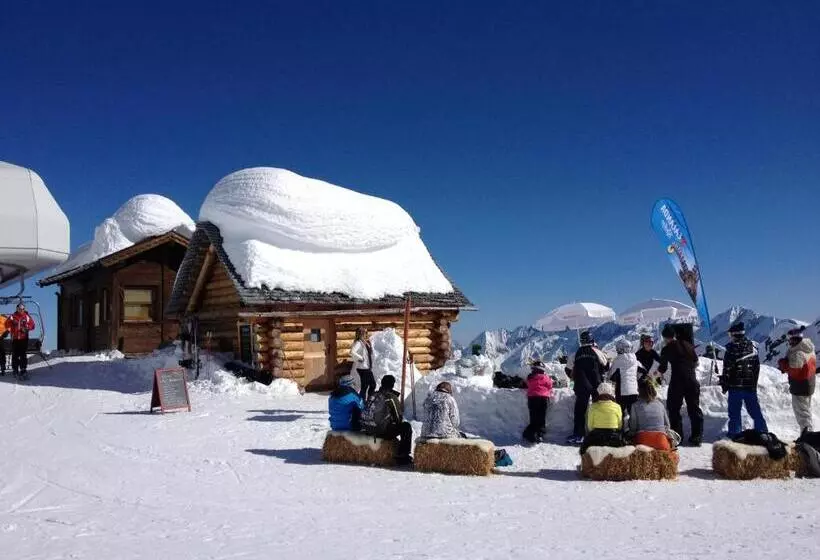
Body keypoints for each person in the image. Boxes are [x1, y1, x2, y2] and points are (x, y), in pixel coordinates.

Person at [658, 324, 704, 446]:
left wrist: (657, 374)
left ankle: (678, 436)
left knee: (674, 408)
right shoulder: (689, 345)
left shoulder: (667, 348)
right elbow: (695, 362)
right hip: (692, 381)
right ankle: (697, 436)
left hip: (677, 381)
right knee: (694, 408)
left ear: (666, 338)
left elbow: (662, 367)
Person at [722, 322, 769, 436]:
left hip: (735, 386)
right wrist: (754, 384)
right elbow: (756, 368)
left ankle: (735, 434)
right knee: (755, 411)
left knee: (734, 412)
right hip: (750, 386)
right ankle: (762, 431)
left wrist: (724, 383)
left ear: (734, 334)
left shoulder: (731, 349)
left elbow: (727, 369)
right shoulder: (752, 348)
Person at [568, 331, 609, 445]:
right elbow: (606, 365)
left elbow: (568, 368)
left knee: (580, 410)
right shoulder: (597, 351)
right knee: (600, 408)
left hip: (581, 385)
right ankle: (599, 432)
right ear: (592, 340)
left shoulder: (576, 353)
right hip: (596, 384)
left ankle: (578, 434)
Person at [361, 375, 413, 465]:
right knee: (406, 427)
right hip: (380, 432)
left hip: (368, 430)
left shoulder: (373, 394)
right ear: (392, 385)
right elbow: (398, 418)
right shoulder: (390, 397)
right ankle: (402, 455)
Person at [778, 329, 816, 433]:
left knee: (802, 414)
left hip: (800, 387)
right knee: (805, 411)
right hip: (808, 384)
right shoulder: (808, 348)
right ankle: (808, 434)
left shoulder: (798, 352)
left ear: (793, 339)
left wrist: (783, 364)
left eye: (789, 339)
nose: (789, 342)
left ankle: (807, 438)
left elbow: (794, 370)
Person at [628, 377, 675, 451]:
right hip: (661, 441)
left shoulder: (635, 405)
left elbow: (633, 426)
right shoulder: (660, 404)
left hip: (642, 441)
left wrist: (630, 435)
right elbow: (667, 425)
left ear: (639, 391)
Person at [580, 382, 623, 453]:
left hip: (596, 437)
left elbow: (590, 426)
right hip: (613, 437)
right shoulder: (617, 406)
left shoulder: (593, 406)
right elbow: (620, 425)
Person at [522, 360, 553, 443]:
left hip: (532, 398)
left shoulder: (530, 377)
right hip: (544, 398)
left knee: (533, 417)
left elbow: (527, 384)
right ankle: (540, 434)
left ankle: (529, 433)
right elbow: (550, 385)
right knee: (541, 418)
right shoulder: (546, 377)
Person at [609, 339, 639, 417]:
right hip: (634, 391)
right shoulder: (635, 360)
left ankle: (621, 429)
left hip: (621, 392)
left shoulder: (617, 360)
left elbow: (611, 376)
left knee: (620, 413)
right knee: (633, 414)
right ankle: (634, 428)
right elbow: (644, 371)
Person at [7, 303, 35, 380]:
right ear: (17, 309)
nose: (21, 310)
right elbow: (7, 324)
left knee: (23, 354)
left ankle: (23, 369)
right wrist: (12, 324)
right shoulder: (13, 317)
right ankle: (15, 369)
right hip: (15, 338)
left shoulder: (26, 317)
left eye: (22, 309)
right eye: (19, 309)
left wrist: (26, 328)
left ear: (24, 309)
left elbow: (32, 325)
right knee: (15, 354)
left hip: (23, 338)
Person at [350, 327, 376, 403]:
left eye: (366, 332)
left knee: (366, 386)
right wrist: (360, 358)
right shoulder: (358, 342)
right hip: (362, 367)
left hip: (366, 367)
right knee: (371, 385)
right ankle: (365, 402)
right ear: (361, 333)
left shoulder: (364, 342)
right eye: (365, 333)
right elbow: (352, 352)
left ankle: (364, 402)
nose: (366, 334)